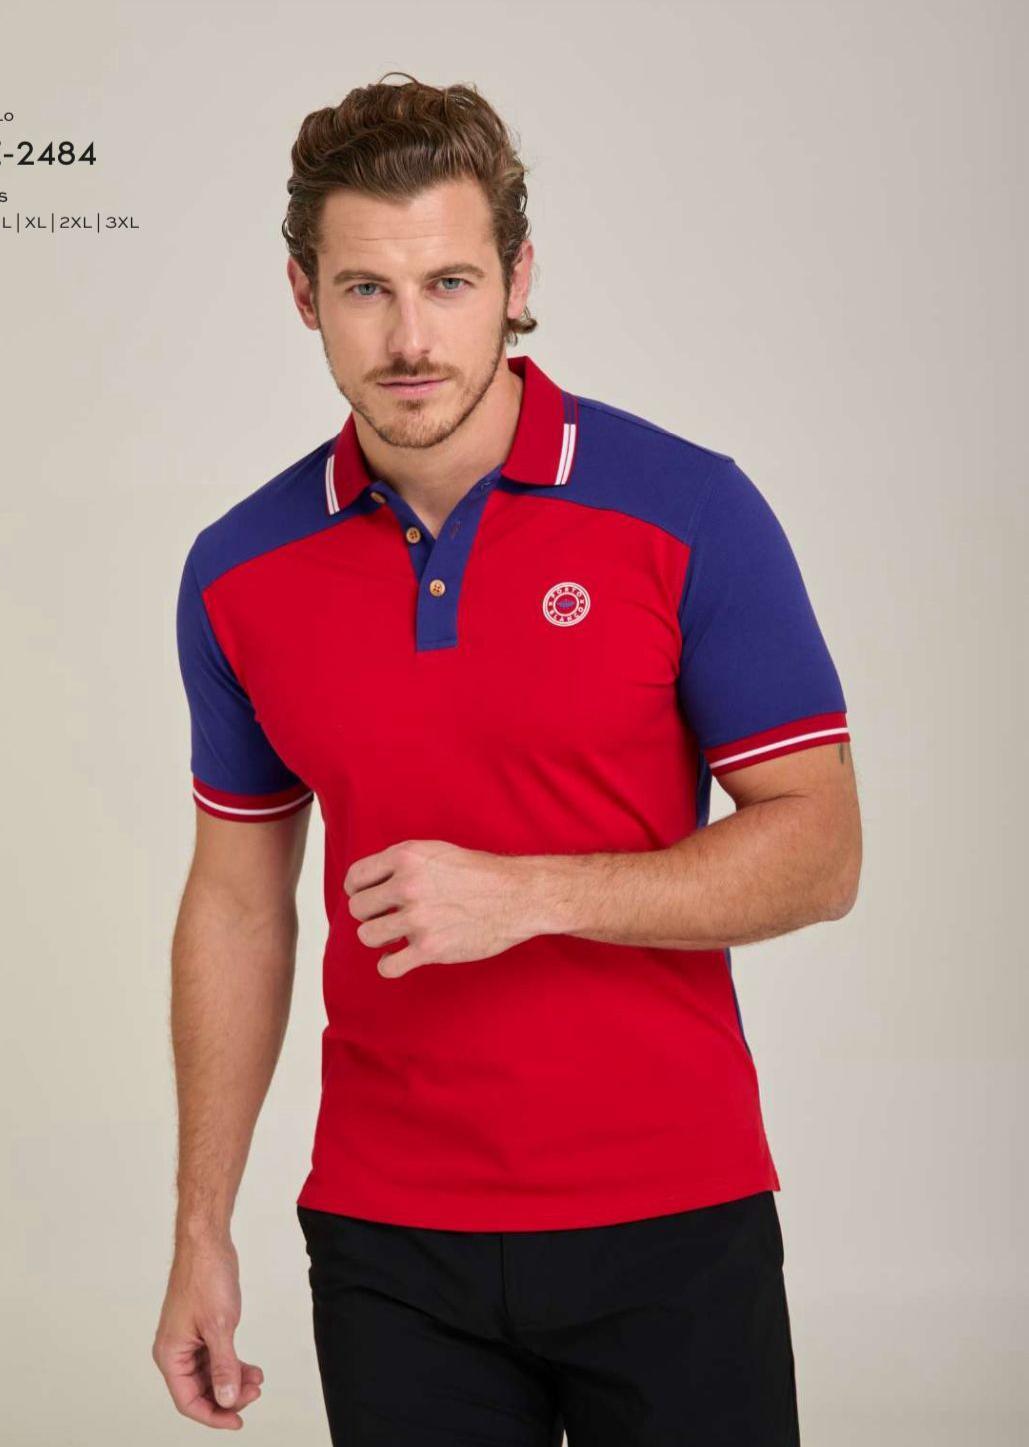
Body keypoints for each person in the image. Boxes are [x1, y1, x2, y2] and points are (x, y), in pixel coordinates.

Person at [151, 71, 862, 1444]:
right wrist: (199, 1228)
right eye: (366, 289)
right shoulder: (239, 571)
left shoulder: (687, 508)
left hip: (671, 1213)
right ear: (303, 293)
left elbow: (821, 849)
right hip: (385, 1241)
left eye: (450, 282)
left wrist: (532, 892)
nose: (410, 337)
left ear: (518, 278)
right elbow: (236, 903)